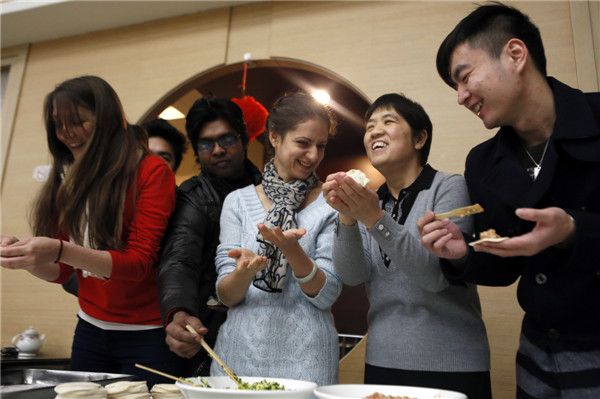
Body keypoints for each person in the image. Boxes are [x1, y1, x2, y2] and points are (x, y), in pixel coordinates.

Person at [417, 3, 600, 398]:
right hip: (538, 355)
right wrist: (461, 252)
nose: (461, 97)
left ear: (516, 55)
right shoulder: (483, 162)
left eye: (464, 78)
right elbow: (506, 268)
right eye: (456, 88)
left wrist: (573, 230)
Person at [0, 75, 185, 387]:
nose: (66, 133)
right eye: (58, 124)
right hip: (90, 329)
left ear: (109, 121)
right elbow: (61, 272)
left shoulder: (151, 171)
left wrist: (59, 249)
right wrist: (24, 256)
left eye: (77, 121)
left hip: (147, 334)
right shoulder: (68, 176)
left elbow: (138, 264)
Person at [323, 93, 491, 398]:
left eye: (389, 122)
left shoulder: (448, 187)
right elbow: (352, 274)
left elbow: (433, 277)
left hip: (452, 362)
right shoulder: (371, 201)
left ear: (419, 138)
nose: (374, 131)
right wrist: (347, 215)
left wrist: (374, 218)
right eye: (370, 125)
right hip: (382, 360)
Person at [209, 92, 342, 386]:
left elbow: (328, 294)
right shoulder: (238, 202)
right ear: (274, 136)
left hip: (308, 363)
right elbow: (227, 296)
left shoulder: (331, 203)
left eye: (320, 146)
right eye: (303, 143)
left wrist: (292, 251)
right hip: (237, 359)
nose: (313, 156)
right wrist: (243, 273)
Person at [157, 97, 262, 377]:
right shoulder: (193, 197)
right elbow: (180, 260)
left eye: (226, 139)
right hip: (207, 330)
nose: (217, 150)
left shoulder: (267, 190)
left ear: (243, 140)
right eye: (206, 144)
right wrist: (179, 313)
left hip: (262, 327)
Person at [61, 117, 188, 297]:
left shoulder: (184, 208)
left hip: (152, 314)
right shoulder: (102, 199)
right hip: (96, 313)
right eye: (147, 154)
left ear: (174, 168)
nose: (153, 162)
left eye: (164, 157)